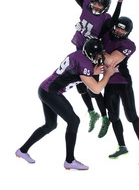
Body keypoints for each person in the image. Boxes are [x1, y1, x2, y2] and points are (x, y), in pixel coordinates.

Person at [15, 39, 118, 170]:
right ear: (91, 54)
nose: (99, 57)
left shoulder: (80, 55)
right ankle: (69, 161)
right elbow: (96, 89)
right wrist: (107, 75)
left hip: (45, 89)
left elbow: (78, 71)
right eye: (97, 54)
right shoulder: (85, 64)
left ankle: (22, 151)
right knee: (74, 121)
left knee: (50, 125)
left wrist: (92, 72)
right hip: (51, 92)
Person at [67, 0, 123, 138]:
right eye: (96, 2)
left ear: (105, 7)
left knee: (94, 88)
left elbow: (114, 20)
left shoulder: (105, 19)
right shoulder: (85, 6)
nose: (97, 6)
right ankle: (92, 113)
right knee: (80, 85)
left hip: (93, 53)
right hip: (79, 48)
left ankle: (105, 117)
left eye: (101, 4)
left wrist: (120, 2)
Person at [102, 16, 139, 166]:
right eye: (118, 27)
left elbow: (110, 60)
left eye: (123, 29)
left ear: (128, 31)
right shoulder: (106, 35)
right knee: (113, 117)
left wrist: (97, 47)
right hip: (108, 82)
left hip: (123, 82)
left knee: (131, 116)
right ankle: (122, 146)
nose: (119, 31)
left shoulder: (129, 44)